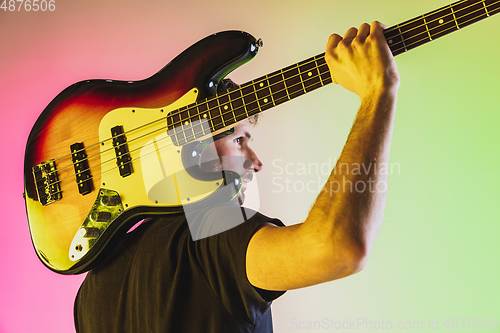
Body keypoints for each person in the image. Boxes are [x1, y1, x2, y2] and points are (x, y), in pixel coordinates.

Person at [74, 21, 399, 332]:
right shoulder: (213, 232)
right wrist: (376, 93)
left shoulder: (90, 293)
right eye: (239, 140)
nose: (255, 163)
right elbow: (339, 248)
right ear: (190, 145)